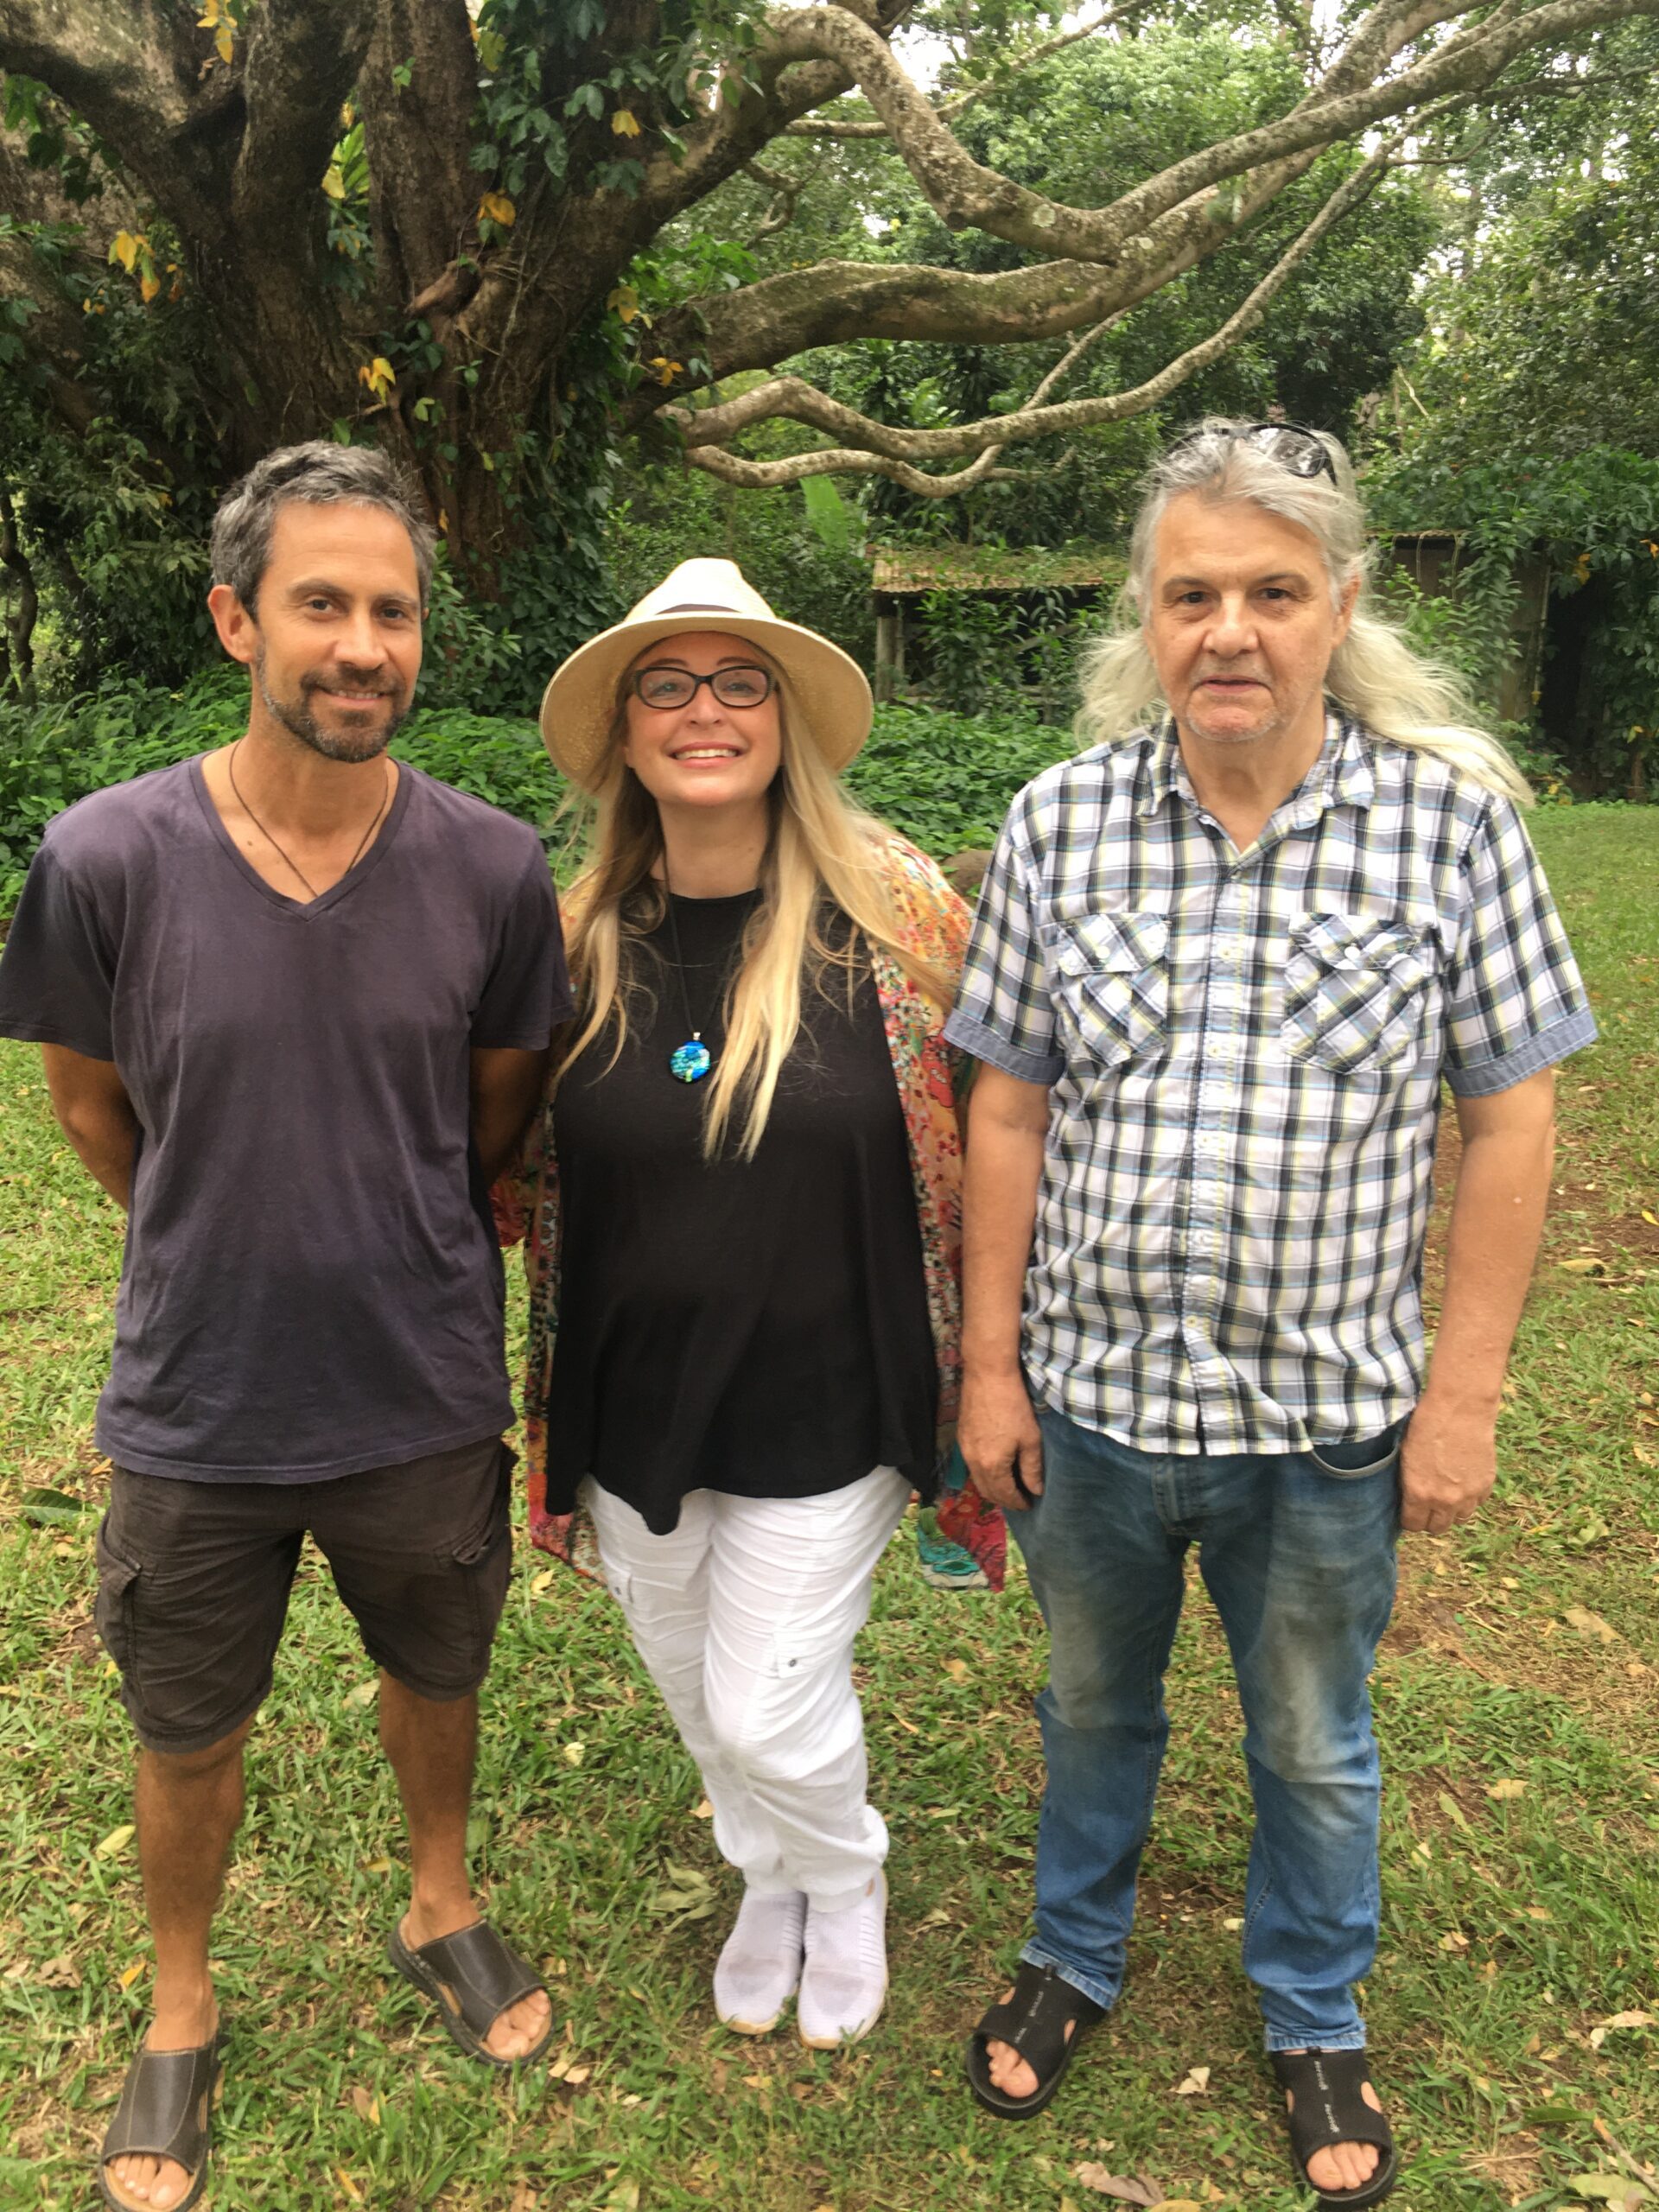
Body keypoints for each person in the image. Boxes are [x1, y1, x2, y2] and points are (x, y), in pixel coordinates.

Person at [946, 420, 1596, 2207]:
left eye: (1273, 592)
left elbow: (1512, 1116)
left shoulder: (1450, 831)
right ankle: (1073, 1952)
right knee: (1093, 1707)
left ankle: (1312, 2006)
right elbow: (1005, 1106)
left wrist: (1463, 1398)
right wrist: (989, 1367)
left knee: (1312, 1737)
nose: (1230, 628)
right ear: (1147, 616)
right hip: (1091, 1408)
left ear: (1341, 607)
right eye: (1193, 594)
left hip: (1323, 1425)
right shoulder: (1058, 822)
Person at [0, 443, 572, 2212]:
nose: (363, 644)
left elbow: (490, 1120)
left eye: (393, 609)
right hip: (199, 1395)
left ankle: (440, 1898)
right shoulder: (106, 856)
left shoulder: (493, 868)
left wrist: (374, 1235)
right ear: (237, 618)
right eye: (323, 603)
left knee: (439, 1665)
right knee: (187, 1714)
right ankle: (180, 1998)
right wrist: (224, 1238)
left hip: (418, 1381)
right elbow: (91, 1109)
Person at [495, 557, 1000, 2050]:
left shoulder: (896, 919)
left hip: (830, 1389)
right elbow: (494, 1159)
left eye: (738, 683)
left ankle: (844, 1877)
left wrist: (1001, 1350)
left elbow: (1006, 1128)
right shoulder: (571, 939)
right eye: (667, 684)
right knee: (694, 1688)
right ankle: (765, 1875)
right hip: (634, 1392)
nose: (703, 711)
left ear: (784, 721)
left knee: (768, 1703)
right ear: (626, 731)